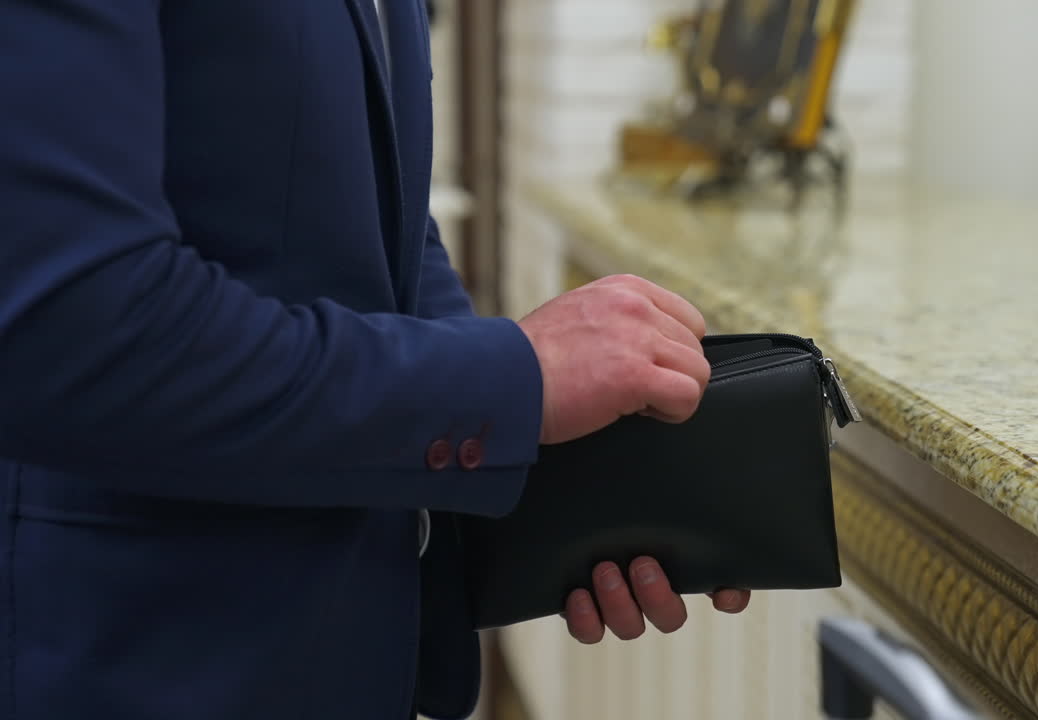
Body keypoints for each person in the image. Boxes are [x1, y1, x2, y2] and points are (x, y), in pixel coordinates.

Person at [0, 2, 748, 719]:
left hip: (343, 655)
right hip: (146, 665)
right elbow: (75, 328)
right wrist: (509, 381)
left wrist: (565, 489)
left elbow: (371, 215)